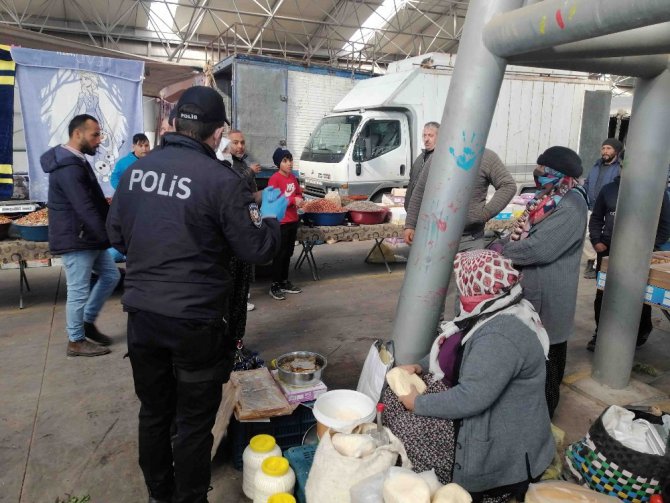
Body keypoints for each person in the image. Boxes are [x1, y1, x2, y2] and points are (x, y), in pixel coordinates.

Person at [106, 86, 285, 503]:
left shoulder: (136, 173)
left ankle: (158, 495)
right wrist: (271, 221)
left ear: (173, 125)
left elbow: (115, 237)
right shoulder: (221, 180)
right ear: (216, 131)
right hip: (196, 322)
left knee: (154, 412)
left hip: (143, 316)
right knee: (192, 421)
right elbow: (256, 248)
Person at [388, 250, 554, 502]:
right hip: (477, 405)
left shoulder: (499, 336)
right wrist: (421, 366)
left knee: (405, 426)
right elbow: (455, 346)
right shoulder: (493, 306)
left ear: (471, 286)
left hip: (500, 439)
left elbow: (472, 398)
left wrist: (416, 403)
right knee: (392, 403)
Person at [502, 146, 587, 418]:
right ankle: (528, 416)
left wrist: (501, 252)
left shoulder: (572, 205)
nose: (538, 173)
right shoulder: (548, 196)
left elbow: (539, 248)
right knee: (531, 358)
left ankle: (544, 420)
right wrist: (502, 244)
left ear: (558, 173)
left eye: (543, 169)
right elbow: (520, 232)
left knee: (549, 361)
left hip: (551, 295)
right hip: (532, 289)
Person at [40, 114, 120, 357]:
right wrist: (111, 236)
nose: (99, 140)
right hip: (77, 238)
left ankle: (86, 322)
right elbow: (84, 206)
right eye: (95, 135)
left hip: (87, 237)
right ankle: (75, 340)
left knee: (110, 276)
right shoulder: (67, 167)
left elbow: (94, 201)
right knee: (78, 291)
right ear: (78, 134)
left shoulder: (76, 160)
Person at [587, 174, 670, 351]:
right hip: (608, 250)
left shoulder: (657, 192)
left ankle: (641, 330)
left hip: (640, 254)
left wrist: (651, 248)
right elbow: (596, 218)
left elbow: (664, 225)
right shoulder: (609, 189)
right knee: (603, 294)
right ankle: (600, 333)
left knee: (638, 293)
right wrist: (596, 240)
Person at [404, 147, 516, 251]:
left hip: (470, 240)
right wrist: (410, 225)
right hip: (435, 238)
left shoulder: (486, 157)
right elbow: (420, 191)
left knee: (469, 273)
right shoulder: (438, 156)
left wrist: (484, 214)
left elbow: (508, 185)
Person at [581, 138, 624, 279]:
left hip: (608, 207)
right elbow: (587, 183)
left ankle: (597, 265)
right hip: (592, 206)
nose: (605, 151)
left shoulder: (619, 168)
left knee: (605, 235)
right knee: (588, 235)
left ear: (616, 151)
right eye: (603, 148)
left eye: (609, 148)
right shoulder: (596, 165)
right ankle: (592, 260)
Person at [268, 147, 304, 300]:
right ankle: (274, 285)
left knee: (288, 253)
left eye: (290, 160)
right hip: (281, 223)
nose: (289, 163)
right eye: (285, 161)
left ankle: (284, 281)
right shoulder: (274, 179)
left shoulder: (293, 178)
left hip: (293, 221)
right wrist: (291, 201)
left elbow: (298, 193)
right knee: (279, 255)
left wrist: (300, 199)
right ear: (278, 163)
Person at [404, 122, 439, 213]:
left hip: (428, 213)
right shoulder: (420, 158)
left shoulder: (441, 159)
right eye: (424, 135)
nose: (426, 139)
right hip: (413, 212)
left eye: (430, 135)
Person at [228, 129, 262, 204]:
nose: (240, 146)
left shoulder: (241, 161)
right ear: (228, 144)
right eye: (235, 143)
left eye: (242, 143)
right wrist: (251, 171)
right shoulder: (228, 162)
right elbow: (236, 185)